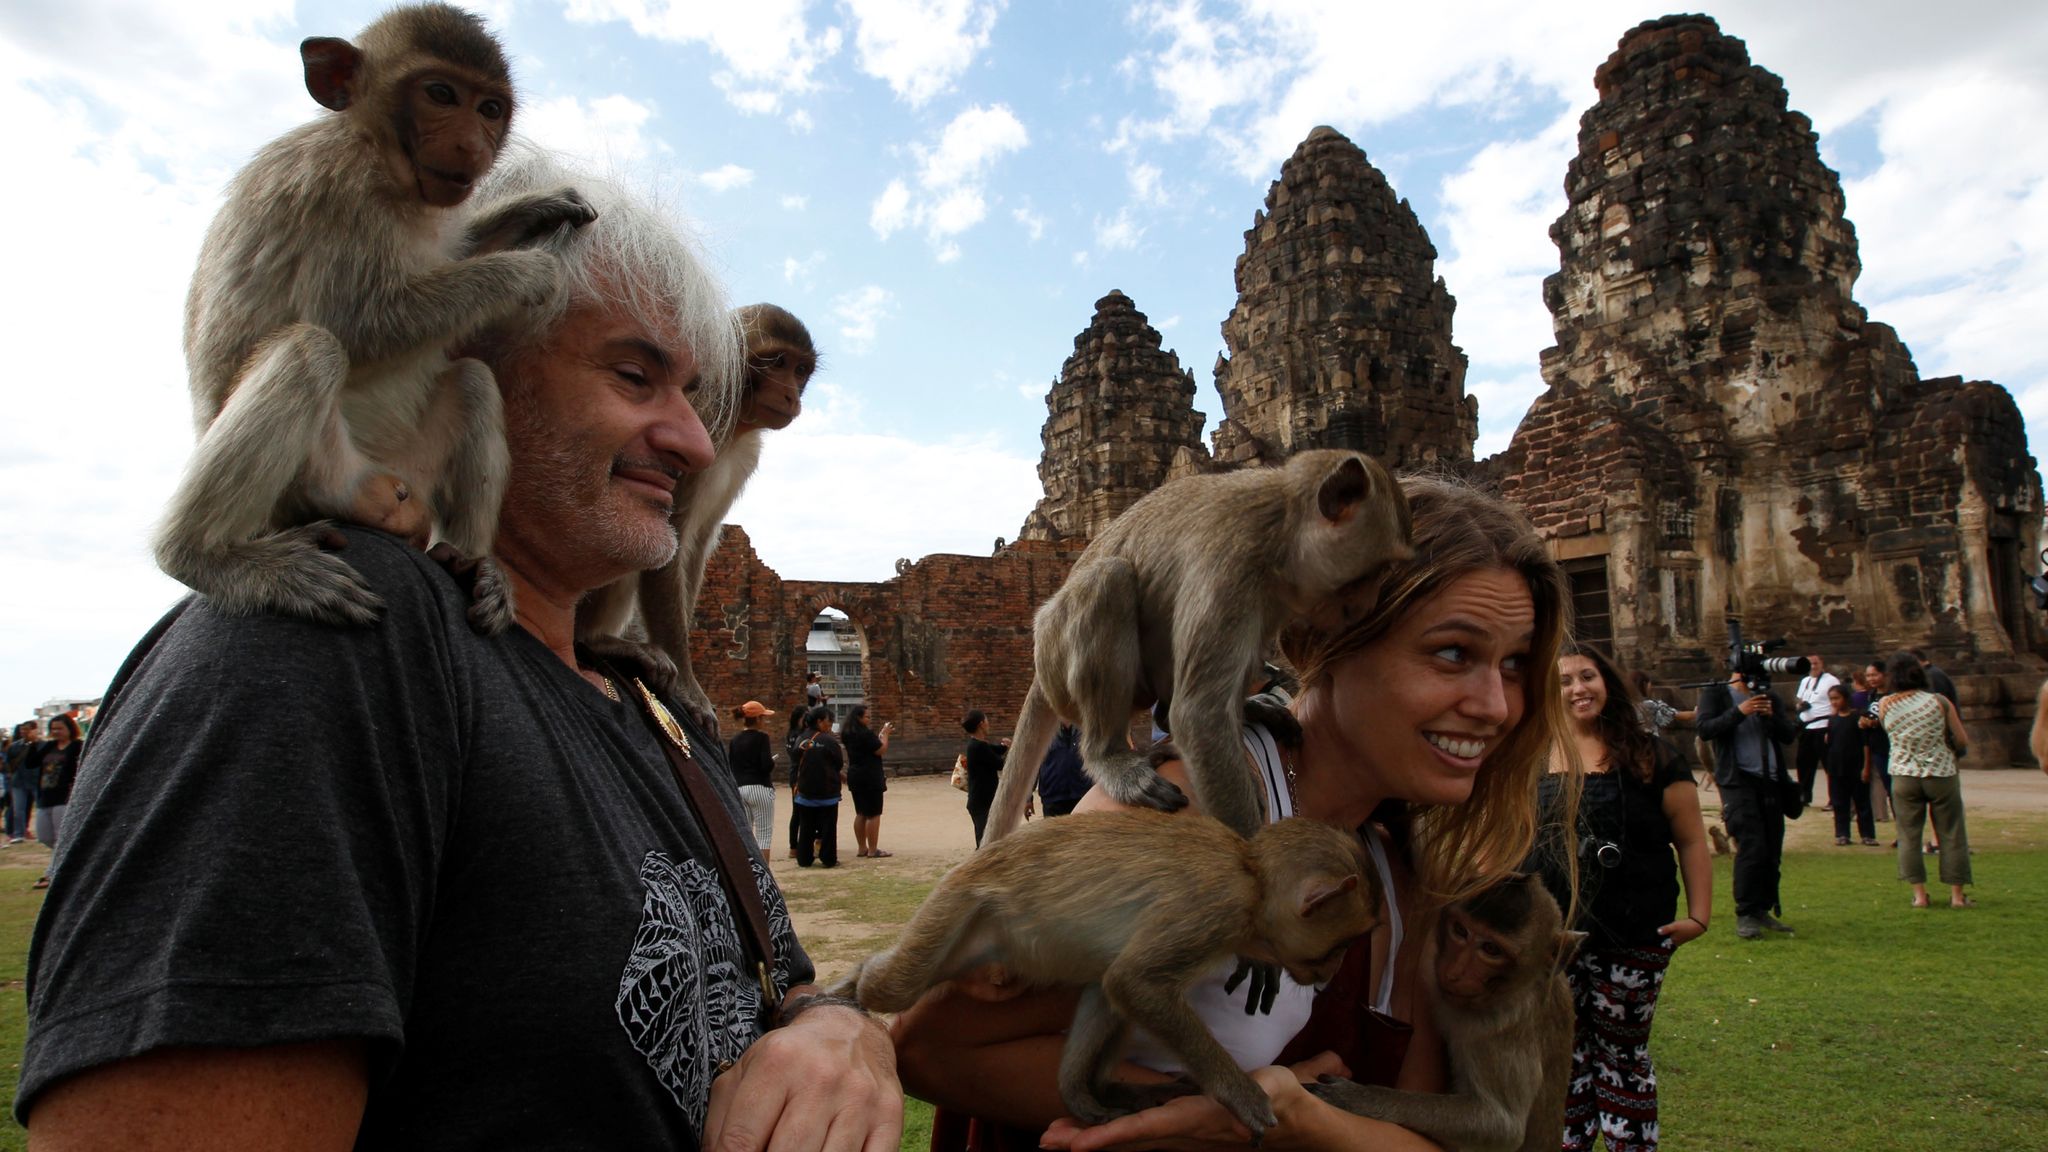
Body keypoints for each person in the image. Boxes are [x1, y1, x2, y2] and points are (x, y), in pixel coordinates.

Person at [16, 148, 898, 1147]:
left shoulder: (652, 714)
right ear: (464, 360)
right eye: (632, 375)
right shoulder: (334, 641)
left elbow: (770, 994)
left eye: (693, 392)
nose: (693, 440)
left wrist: (841, 1037)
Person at [894, 475, 1574, 1152]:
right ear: (1322, 640)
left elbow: (1421, 1127)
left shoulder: (1397, 858)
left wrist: (1305, 1121)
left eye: (1515, 664)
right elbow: (933, 1050)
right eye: (1452, 653)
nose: (1496, 705)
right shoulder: (1186, 813)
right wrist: (1222, 1106)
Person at [1544, 643, 1711, 1152]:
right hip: (1554, 937)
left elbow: (1690, 838)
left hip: (1635, 932)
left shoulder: (1649, 755)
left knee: (1623, 1056)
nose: (1578, 688)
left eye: (1587, 676)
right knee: (1565, 1054)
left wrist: (1699, 916)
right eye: (1565, 680)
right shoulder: (1531, 754)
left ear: (1607, 683)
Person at [1696, 668, 1800, 940]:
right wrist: (1740, 712)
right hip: (1739, 781)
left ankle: (1763, 908)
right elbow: (1705, 729)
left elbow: (1788, 735)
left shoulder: (1768, 696)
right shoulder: (1717, 693)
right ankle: (1746, 912)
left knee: (1772, 847)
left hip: (1771, 779)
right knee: (1751, 846)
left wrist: (1771, 716)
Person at [1880, 651, 1974, 908]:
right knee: (1952, 832)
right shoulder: (1939, 702)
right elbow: (1962, 739)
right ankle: (1957, 895)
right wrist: (1947, 747)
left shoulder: (1886, 704)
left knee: (1908, 834)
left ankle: (1920, 895)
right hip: (1940, 771)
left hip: (1903, 773)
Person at [27, 716, 83, 889]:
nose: (56, 732)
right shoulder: (49, 746)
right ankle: (69, 865)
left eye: (60, 728)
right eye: (53, 729)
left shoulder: (77, 746)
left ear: (69, 728)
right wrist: (33, 745)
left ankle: (53, 873)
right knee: (45, 836)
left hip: (65, 797)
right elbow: (31, 763)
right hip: (45, 796)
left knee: (61, 836)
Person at [1823, 684, 1876, 846]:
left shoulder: (1857, 717)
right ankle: (1842, 833)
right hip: (1837, 767)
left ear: (1846, 698)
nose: (1834, 702)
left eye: (1837, 698)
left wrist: (1866, 767)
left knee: (1862, 802)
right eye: (1831, 699)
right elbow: (1830, 743)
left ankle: (1867, 834)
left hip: (1856, 766)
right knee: (1840, 802)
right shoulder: (1832, 720)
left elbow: (1865, 744)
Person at [792, 705, 845, 868]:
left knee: (806, 827)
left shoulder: (801, 739)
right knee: (828, 828)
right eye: (828, 721)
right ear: (819, 721)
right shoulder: (829, 741)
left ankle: (804, 858)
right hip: (827, 791)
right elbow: (838, 763)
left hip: (805, 790)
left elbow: (795, 759)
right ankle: (828, 858)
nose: (830, 725)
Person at [727, 700, 779, 860]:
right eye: (762, 717)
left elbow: (731, 766)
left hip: (740, 787)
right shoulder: (762, 738)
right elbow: (766, 766)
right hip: (760, 787)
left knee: (746, 832)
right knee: (764, 833)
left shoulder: (734, 740)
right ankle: (765, 873)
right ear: (757, 719)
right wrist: (772, 761)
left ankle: (749, 872)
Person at [842, 705, 893, 858]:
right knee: (874, 813)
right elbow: (880, 749)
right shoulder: (865, 733)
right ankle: (873, 849)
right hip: (870, 775)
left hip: (855, 774)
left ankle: (862, 847)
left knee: (861, 813)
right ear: (859, 718)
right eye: (866, 717)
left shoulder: (848, 733)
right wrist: (885, 735)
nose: (868, 719)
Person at [1792, 656, 1839, 806]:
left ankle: (1834, 798)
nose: (1813, 666)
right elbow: (1798, 699)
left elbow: (1837, 703)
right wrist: (1800, 705)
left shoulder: (1830, 680)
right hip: (1807, 727)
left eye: (1815, 663)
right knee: (1804, 763)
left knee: (1829, 764)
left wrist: (1832, 727)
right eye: (1810, 664)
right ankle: (1804, 796)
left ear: (1821, 664)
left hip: (1823, 725)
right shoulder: (1805, 681)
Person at [960, 710, 1010, 848]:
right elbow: (1000, 764)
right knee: (984, 843)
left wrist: (1004, 746)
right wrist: (1014, 752)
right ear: (981, 724)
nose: (988, 724)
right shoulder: (978, 747)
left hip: (981, 801)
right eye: (987, 721)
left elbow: (995, 750)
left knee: (987, 839)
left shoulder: (977, 744)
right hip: (982, 803)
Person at [1854, 660, 1894, 823]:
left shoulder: (1892, 695)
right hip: (1876, 746)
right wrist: (1864, 722)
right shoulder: (1872, 695)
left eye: (1874, 675)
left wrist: (1877, 722)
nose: (1871, 679)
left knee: (1895, 791)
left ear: (1884, 675)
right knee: (1888, 788)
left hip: (1891, 746)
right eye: (1868, 675)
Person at [1033, 723, 1089, 818]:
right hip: (1052, 797)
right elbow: (1033, 766)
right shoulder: (1043, 732)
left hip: (1081, 795)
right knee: (1053, 832)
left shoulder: (1086, 729)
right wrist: (1028, 799)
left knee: (1080, 831)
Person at [3, 720, 39, 846]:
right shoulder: (14, 746)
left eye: (27, 730)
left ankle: (40, 831)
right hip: (18, 782)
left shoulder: (42, 745)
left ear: (35, 730)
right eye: (22, 730)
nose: (24, 732)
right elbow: (8, 764)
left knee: (40, 808)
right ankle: (18, 834)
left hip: (36, 781)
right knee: (18, 809)